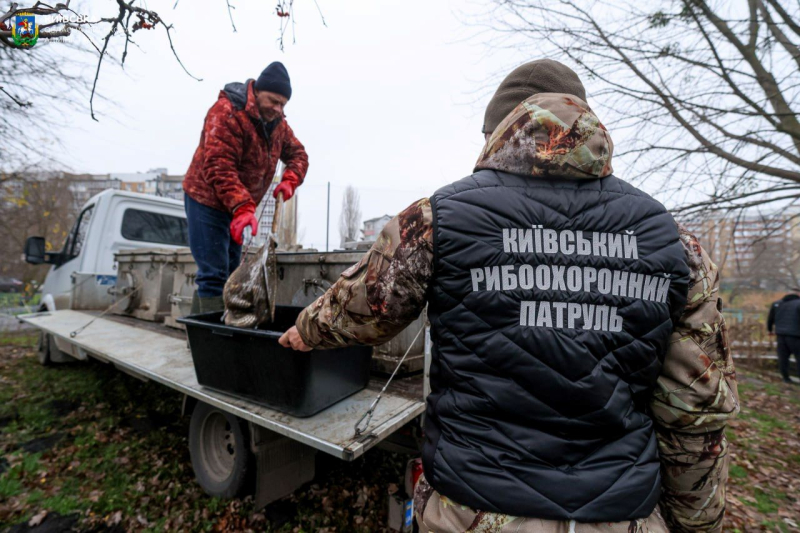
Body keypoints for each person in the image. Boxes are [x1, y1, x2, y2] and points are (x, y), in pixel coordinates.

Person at [279, 59, 739, 532]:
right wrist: (695, 526)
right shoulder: (674, 244)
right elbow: (695, 415)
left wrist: (306, 331)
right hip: (620, 515)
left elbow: (366, 305)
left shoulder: (440, 218)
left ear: (499, 130)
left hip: (471, 511)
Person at [182, 62, 309, 312]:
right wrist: (242, 205)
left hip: (240, 208)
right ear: (257, 92)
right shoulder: (227, 112)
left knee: (231, 274)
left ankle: (204, 335)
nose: (278, 109)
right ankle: (211, 342)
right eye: (273, 101)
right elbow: (219, 165)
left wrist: (290, 179)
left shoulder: (278, 125)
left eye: (283, 104)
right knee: (213, 274)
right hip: (206, 200)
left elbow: (298, 154)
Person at [767, 290, 800, 383]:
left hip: (780, 335)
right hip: (796, 336)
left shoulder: (777, 304)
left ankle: (786, 378)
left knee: (783, 358)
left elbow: (770, 319)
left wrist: (770, 330)